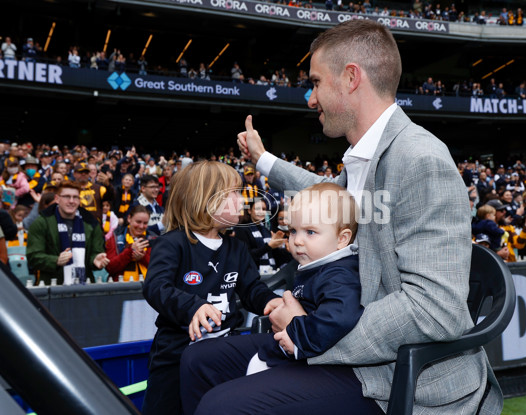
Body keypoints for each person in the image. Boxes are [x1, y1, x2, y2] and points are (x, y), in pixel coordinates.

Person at [185, 19, 501, 415]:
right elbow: (324, 194)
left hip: (397, 377)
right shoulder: (366, 160)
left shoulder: (420, 160)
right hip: (352, 346)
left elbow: (433, 309)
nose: (309, 98)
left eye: (316, 82)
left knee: (223, 406)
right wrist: (264, 161)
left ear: (351, 78)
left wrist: (307, 333)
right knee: (199, 362)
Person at [141, 161, 282, 415]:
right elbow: (155, 286)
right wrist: (194, 306)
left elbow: (251, 290)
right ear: (206, 199)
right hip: (175, 357)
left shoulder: (237, 247)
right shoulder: (172, 243)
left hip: (221, 356)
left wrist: (270, 302)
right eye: (235, 193)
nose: (243, 200)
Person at [241, 182, 362, 375]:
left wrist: (296, 338)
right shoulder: (319, 267)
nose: (297, 240)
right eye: (293, 231)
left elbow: (338, 317)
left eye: (310, 232)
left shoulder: (339, 275)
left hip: (313, 364)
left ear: (342, 239)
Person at [26, 180, 110, 285]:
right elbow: (33, 257)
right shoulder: (42, 222)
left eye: (75, 197)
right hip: (51, 288)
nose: (71, 201)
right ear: (57, 199)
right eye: (66, 196)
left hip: (84, 286)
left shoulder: (91, 223)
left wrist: (95, 260)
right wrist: (56, 260)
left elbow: (95, 252)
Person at [234, 198, 287, 273]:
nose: (261, 212)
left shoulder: (267, 230)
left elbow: (275, 255)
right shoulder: (242, 229)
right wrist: (268, 246)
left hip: (271, 272)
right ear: (249, 211)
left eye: (264, 209)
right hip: (252, 274)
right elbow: (246, 256)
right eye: (257, 209)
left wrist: (280, 247)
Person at [105, 205, 151, 282]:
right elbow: (110, 268)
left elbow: (159, 267)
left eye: (145, 223)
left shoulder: (152, 239)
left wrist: (142, 257)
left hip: (147, 288)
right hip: (120, 289)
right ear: (129, 218)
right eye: (138, 222)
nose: (141, 226)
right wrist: (130, 252)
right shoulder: (115, 238)